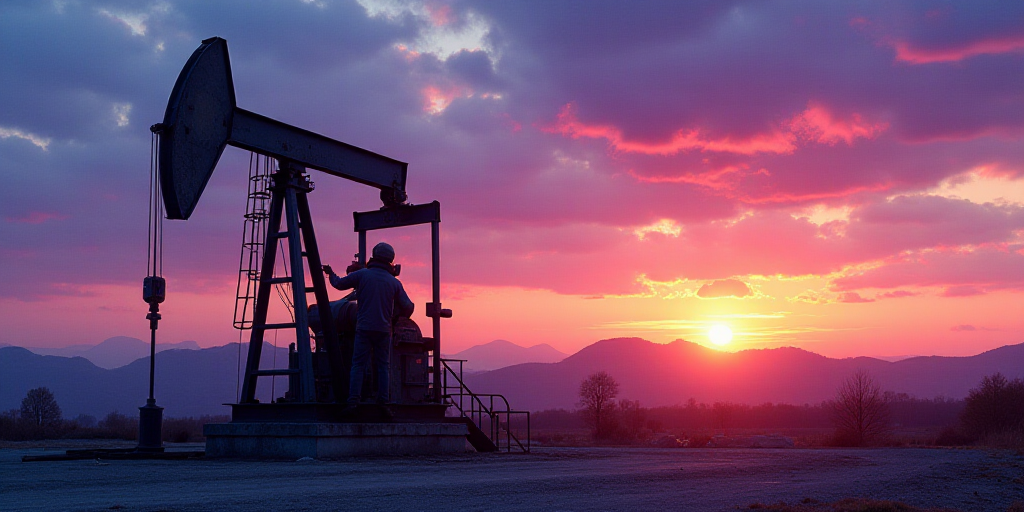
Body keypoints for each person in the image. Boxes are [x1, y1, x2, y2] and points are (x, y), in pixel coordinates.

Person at [323, 242, 414, 414]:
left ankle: (352, 403)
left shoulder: (362, 275)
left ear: (374, 256)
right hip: (384, 330)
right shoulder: (394, 283)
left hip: (363, 328)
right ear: (390, 260)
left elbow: (339, 284)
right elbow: (409, 307)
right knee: (383, 366)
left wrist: (330, 274)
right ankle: (383, 404)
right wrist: (395, 317)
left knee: (357, 365)